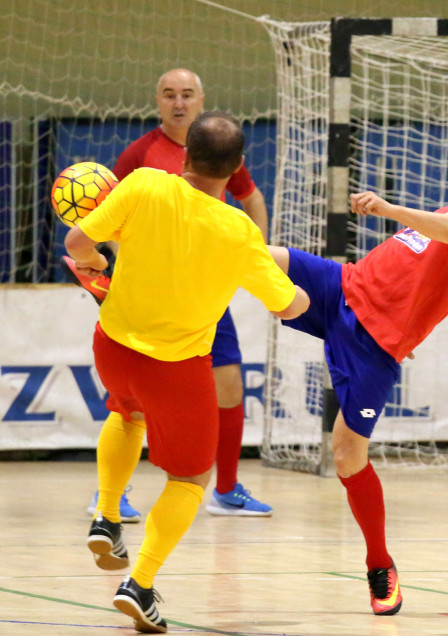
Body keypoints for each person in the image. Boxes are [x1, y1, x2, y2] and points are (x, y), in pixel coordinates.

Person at [269, 133, 448, 615]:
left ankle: (380, 564)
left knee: (346, 455)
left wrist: (388, 208)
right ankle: (135, 275)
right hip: (345, 286)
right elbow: (435, 272)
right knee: (251, 255)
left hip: (373, 344)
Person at [67, 111, 309, 632]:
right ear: (239, 166)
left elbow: (76, 245)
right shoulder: (239, 231)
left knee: (125, 411)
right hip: (174, 369)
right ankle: (141, 584)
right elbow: (288, 306)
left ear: (185, 156)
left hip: (112, 346)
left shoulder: (145, 184)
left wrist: (96, 265)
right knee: (190, 477)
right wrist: (315, 290)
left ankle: (107, 517)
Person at [68, 68, 274, 519]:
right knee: (131, 401)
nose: (178, 103)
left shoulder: (217, 147)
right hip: (149, 292)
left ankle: (228, 488)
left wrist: (248, 252)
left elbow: (252, 198)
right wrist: (125, 261)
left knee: (230, 382)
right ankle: (113, 494)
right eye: (168, 95)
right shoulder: (140, 157)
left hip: (203, 292)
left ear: (202, 101)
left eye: (186, 95)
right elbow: (107, 216)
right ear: (157, 102)